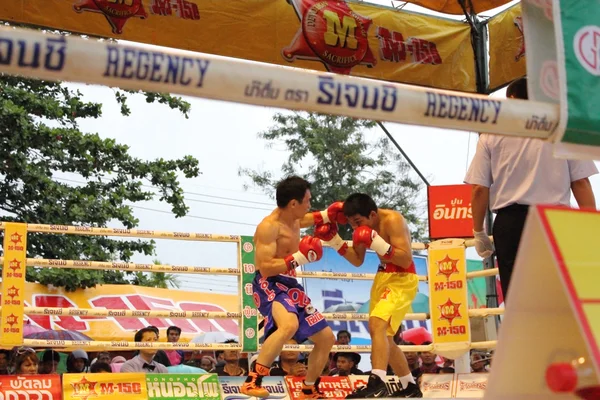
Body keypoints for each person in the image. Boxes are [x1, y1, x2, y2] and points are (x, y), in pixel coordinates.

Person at [464, 77, 598, 302]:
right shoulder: (562, 129)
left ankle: (526, 337)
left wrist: (478, 231)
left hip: (512, 223)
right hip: (556, 221)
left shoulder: (491, 135)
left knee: (519, 297)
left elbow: (479, 189)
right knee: (559, 292)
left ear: (513, 99)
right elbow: (581, 183)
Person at [315, 193, 421, 397]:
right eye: (352, 224)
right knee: (385, 338)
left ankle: (377, 381)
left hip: (402, 278)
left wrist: (378, 242)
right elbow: (357, 260)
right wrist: (335, 240)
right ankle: (410, 386)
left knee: (377, 323)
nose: (355, 228)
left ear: (372, 214)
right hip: (382, 278)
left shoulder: (393, 220)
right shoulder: (360, 228)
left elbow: (406, 259)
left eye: (358, 222)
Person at [242, 176, 338, 399]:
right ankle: (253, 380)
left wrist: (328, 214)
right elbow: (265, 268)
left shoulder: (294, 219)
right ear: (294, 203)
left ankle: (309, 388)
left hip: (291, 284)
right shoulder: (269, 227)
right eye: (307, 200)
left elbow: (308, 219)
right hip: (269, 283)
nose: (310, 204)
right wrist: (299, 258)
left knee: (326, 339)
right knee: (288, 325)